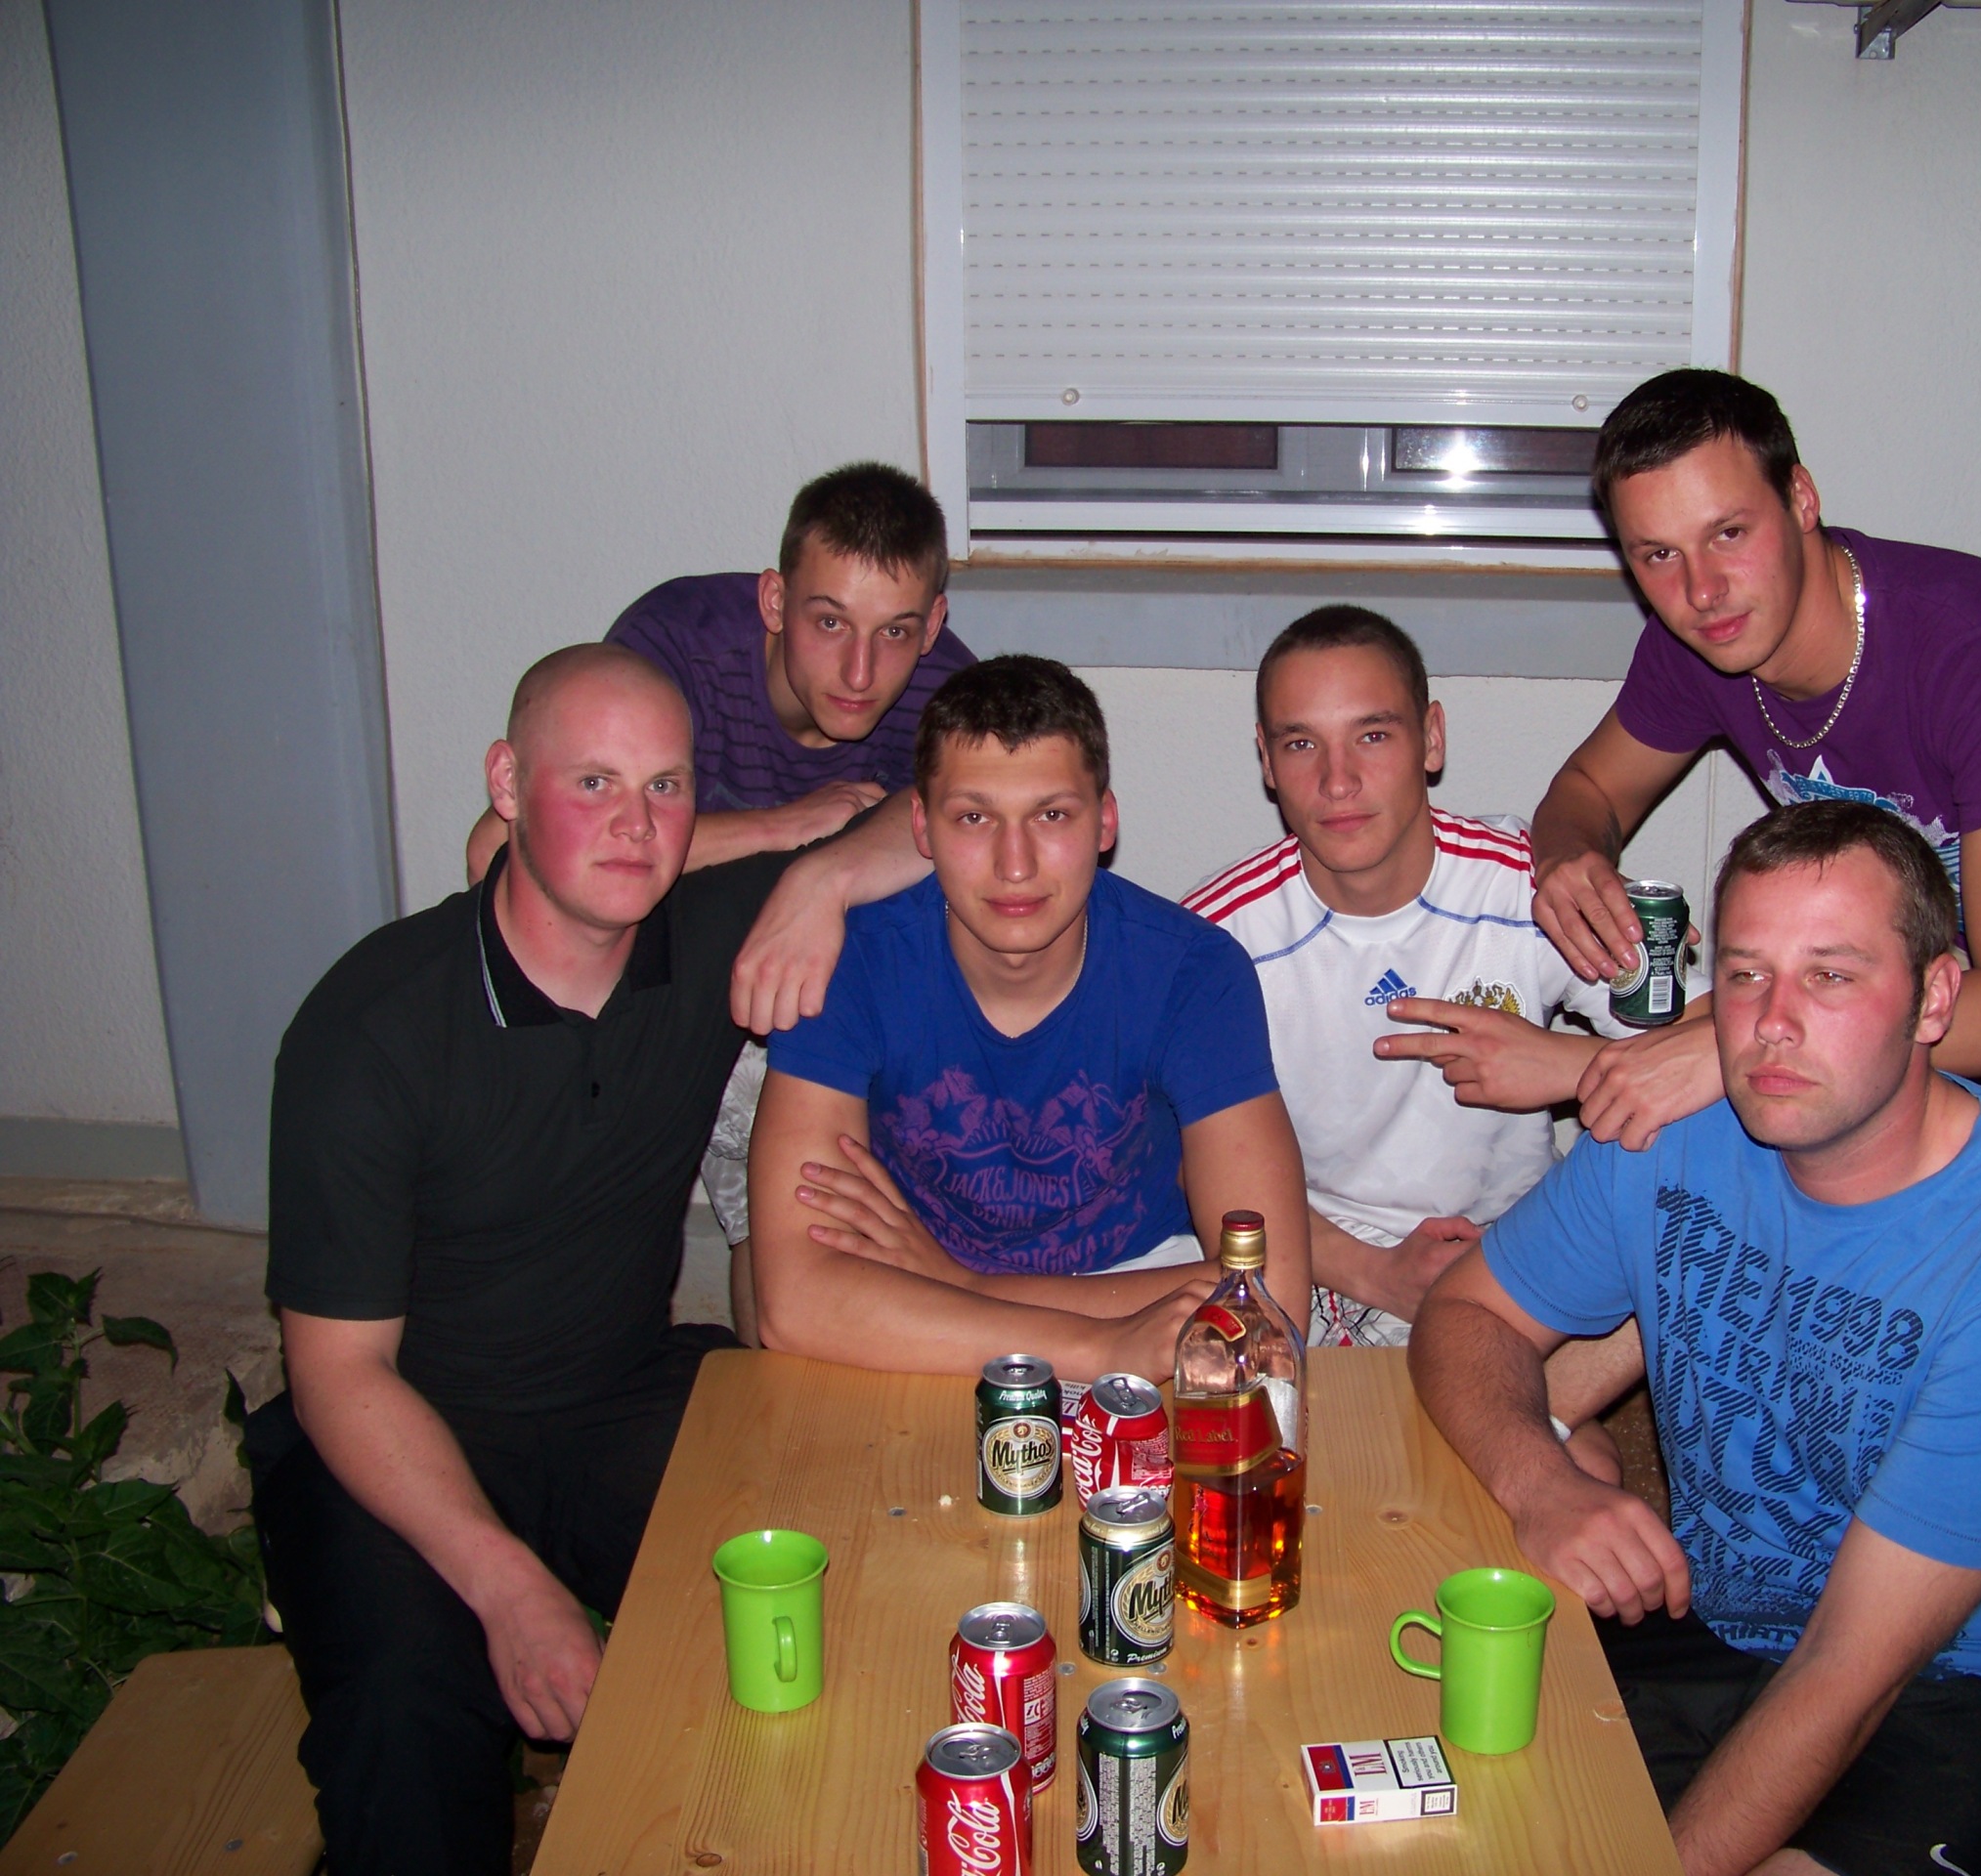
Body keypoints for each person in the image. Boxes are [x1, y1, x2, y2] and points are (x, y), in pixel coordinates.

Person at [1411, 800, 1981, 1876]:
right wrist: (1542, 1483)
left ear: (1935, 996)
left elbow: (1851, 1671)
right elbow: (1468, 1312)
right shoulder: (1671, 1134)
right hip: (1727, 1627)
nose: (1772, 1023)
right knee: (1425, 1768)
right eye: (1748, 974)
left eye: (1832, 976)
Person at [1531, 368, 1981, 1448]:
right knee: (1890, 1299)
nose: (1702, 590)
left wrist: (1719, 1049)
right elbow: (1586, 790)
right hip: (1916, 964)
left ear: (1801, 500)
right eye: (1657, 556)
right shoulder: (1699, 648)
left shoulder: (1980, 649)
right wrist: (1567, 855)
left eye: (1729, 532)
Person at [254, 644, 870, 1874]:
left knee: (823, 1586)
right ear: (506, 784)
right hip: (399, 1432)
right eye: (593, 783)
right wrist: (508, 1586)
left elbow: (931, 809)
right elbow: (337, 1374)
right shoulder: (371, 1028)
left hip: (615, 1397)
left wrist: (817, 873)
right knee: (407, 1727)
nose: (636, 825)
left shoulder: (706, 938)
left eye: (665, 786)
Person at [466, 464, 978, 1310]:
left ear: (933, 626)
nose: (859, 670)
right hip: (648, 967)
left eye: (894, 632)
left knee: (814, 1201)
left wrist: (819, 878)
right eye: (828, 622)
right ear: (774, 601)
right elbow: (500, 849)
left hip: (799, 980)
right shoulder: (679, 647)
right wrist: (784, 828)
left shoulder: (948, 690)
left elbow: (979, 824)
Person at [745, 655, 1312, 1380]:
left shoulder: (1193, 972)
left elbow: (1271, 1300)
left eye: (1051, 815)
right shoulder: (847, 963)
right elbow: (792, 1301)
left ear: (1105, 821)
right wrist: (1096, 1345)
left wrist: (970, 1289)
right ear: (921, 828)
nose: (1014, 864)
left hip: (1090, 1283)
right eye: (974, 818)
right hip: (927, 1309)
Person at [1186, 606, 1639, 1471]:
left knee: (1592, 1470)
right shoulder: (1217, 942)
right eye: (1301, 744)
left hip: (1514, 1263)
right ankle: (1503, 1425)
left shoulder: (1530, 890)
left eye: (1373, 735)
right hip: (1318, 1263)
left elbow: (1721, 1058)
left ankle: (1518, 1416)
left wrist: (1566, 1065)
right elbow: (1175, 1161)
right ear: (1267, 762)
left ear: (1431, 739)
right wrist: (1372, 1272)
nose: (1338, 781)